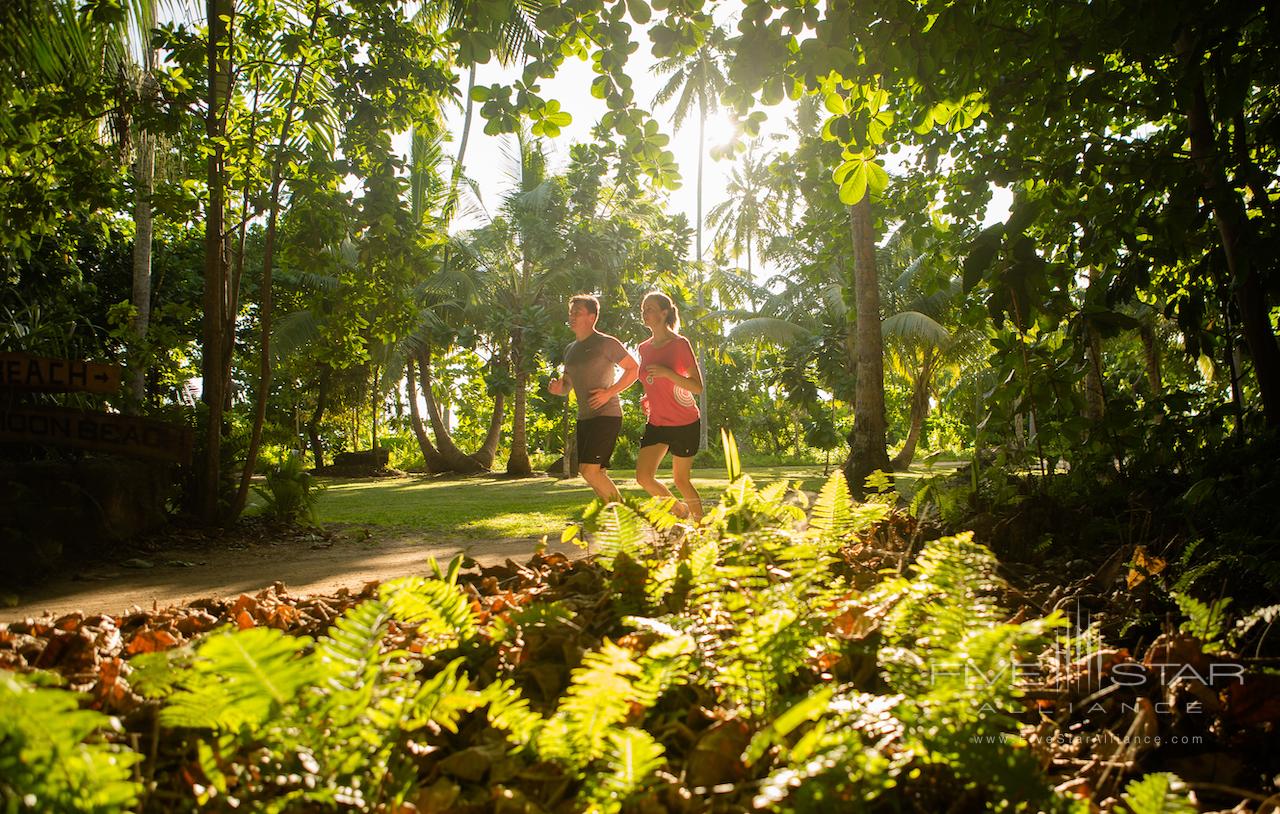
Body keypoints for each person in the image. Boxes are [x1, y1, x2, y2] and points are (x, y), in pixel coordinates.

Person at [548, 294, 639, 503]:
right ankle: (615, 520)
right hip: (585, 418)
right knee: (595, 473)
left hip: (607, 415)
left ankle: (626, 515)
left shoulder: (606, 343)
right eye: (570, 312)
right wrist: (558, 388)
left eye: (577, 312)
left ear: (592, 316)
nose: (571, 316)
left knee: (588, 470)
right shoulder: (570, 350)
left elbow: (634, 369)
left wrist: (609, 392)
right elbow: (567, 385)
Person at [634, 291, 704, 522]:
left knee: (681, 480)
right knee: (644, 477)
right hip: (657, 422)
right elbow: (650, 380)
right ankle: (681, 511)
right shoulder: (644, 348)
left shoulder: (679, 344)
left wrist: (668, 374)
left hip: (685, 422)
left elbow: (697, 387)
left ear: (664, 313)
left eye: (650, 309)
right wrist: (648, 398)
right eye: (643, 309)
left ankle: (702, 529)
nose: (645, 313)